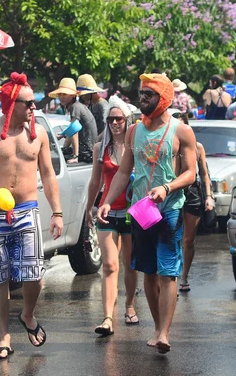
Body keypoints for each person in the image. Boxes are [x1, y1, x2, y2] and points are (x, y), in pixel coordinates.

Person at [0, 72, 63, 360]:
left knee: (35, 275)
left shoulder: (39, 133)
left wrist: (57, 212)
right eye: (28, 103)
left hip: (27, 210)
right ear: (10, 103)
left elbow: (47, 173)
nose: (34, 108)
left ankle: (28, 315)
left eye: (34, 102)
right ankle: (3, 337)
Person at [98, 73, 197, 354]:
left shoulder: (181, 131)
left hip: (170, 211)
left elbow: (191, 172)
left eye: (149, 95)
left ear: (163, 98)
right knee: (149, 273)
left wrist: (167, 187)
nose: (142, 99)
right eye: (141, 93)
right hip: (141, 212)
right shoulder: (134, 131)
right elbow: (124, 171)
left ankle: (164, 333)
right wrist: (107, 200)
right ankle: (157, 327)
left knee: (167, 273)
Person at [86, 95, 139, 336]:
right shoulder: (101, 148)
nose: (114, 123)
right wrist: (89, 207)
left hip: (131, 213)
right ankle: (107, 317)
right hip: (107, 212)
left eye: (119, 118)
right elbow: (95, 181)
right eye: (110, 119)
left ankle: (128, 305)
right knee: (109, 265)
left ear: (127, 120)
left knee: (129, 263)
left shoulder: (136, 147)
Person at [171, 111, 214, 292]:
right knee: (172, 237)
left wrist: (209, 196)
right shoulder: (169, 146)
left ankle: (184, 276)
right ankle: (170, 275)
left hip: (192, 193)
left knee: (188, 240)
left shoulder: (197, 147)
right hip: (172, 191)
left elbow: (204, 173)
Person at [49, 77, 98, 163]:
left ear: (72, 95)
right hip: (87, 149)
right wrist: (64, 147)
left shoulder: (75, 107)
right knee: (60, 152)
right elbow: (71, 133)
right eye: (60, 94)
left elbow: (74, 130)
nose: (61, 97)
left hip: (87, 151)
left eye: (64, 94)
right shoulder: (77, 105)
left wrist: (75, 156)